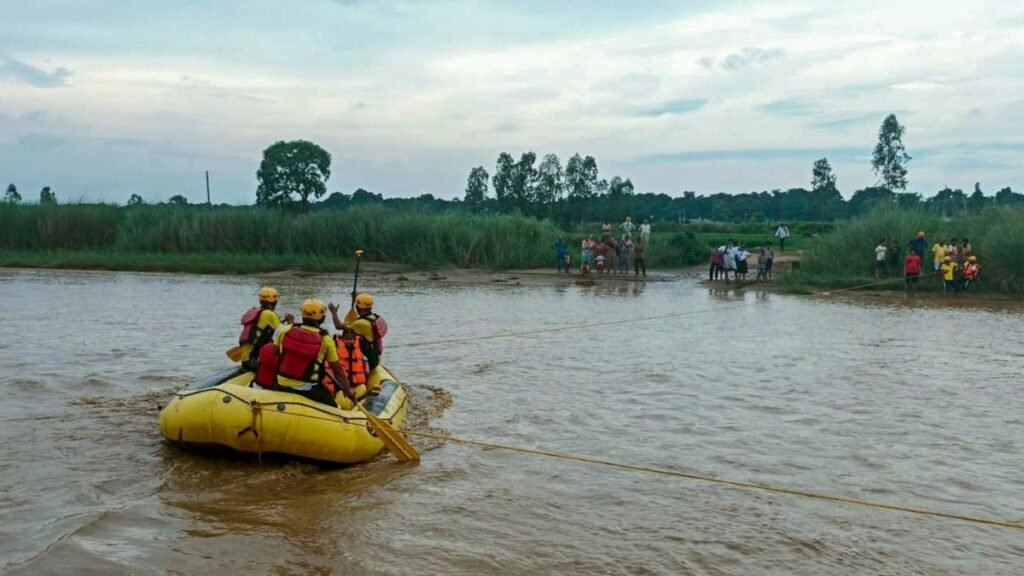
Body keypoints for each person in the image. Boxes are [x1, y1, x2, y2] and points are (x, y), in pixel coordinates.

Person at [274, 299, 354, 407]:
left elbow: (275, 352)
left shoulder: (285, 330)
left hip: (281, 383)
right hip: (309, 389)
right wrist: (347, 390)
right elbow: (338, 371)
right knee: (333, 408)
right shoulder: (326, 339)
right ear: (322, 318)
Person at [330, 293, 386, 378]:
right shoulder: (373, 317)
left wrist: (334, 312)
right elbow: (354, 319)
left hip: (368, 359)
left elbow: (338, 326)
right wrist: (355, 300)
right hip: (374, 355)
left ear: (358, 308)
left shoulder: (361, 324)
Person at [237, 287, 293, 371]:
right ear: (274, 302)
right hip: (253, 362)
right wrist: (290, 322)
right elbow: (286, 333)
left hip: (246, 360)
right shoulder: (269, 314)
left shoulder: (257, 311)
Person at [325, 327, 371, 400]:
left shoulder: (358, 350)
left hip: (355, 382)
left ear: (354, 339)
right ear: (343, 339)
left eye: (351, 339)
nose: (349, 341)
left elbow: (365, 359)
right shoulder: (337, 349)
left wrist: (367, 368)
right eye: (346, 339)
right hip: (343, 381)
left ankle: (358, 398)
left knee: (362, 387)